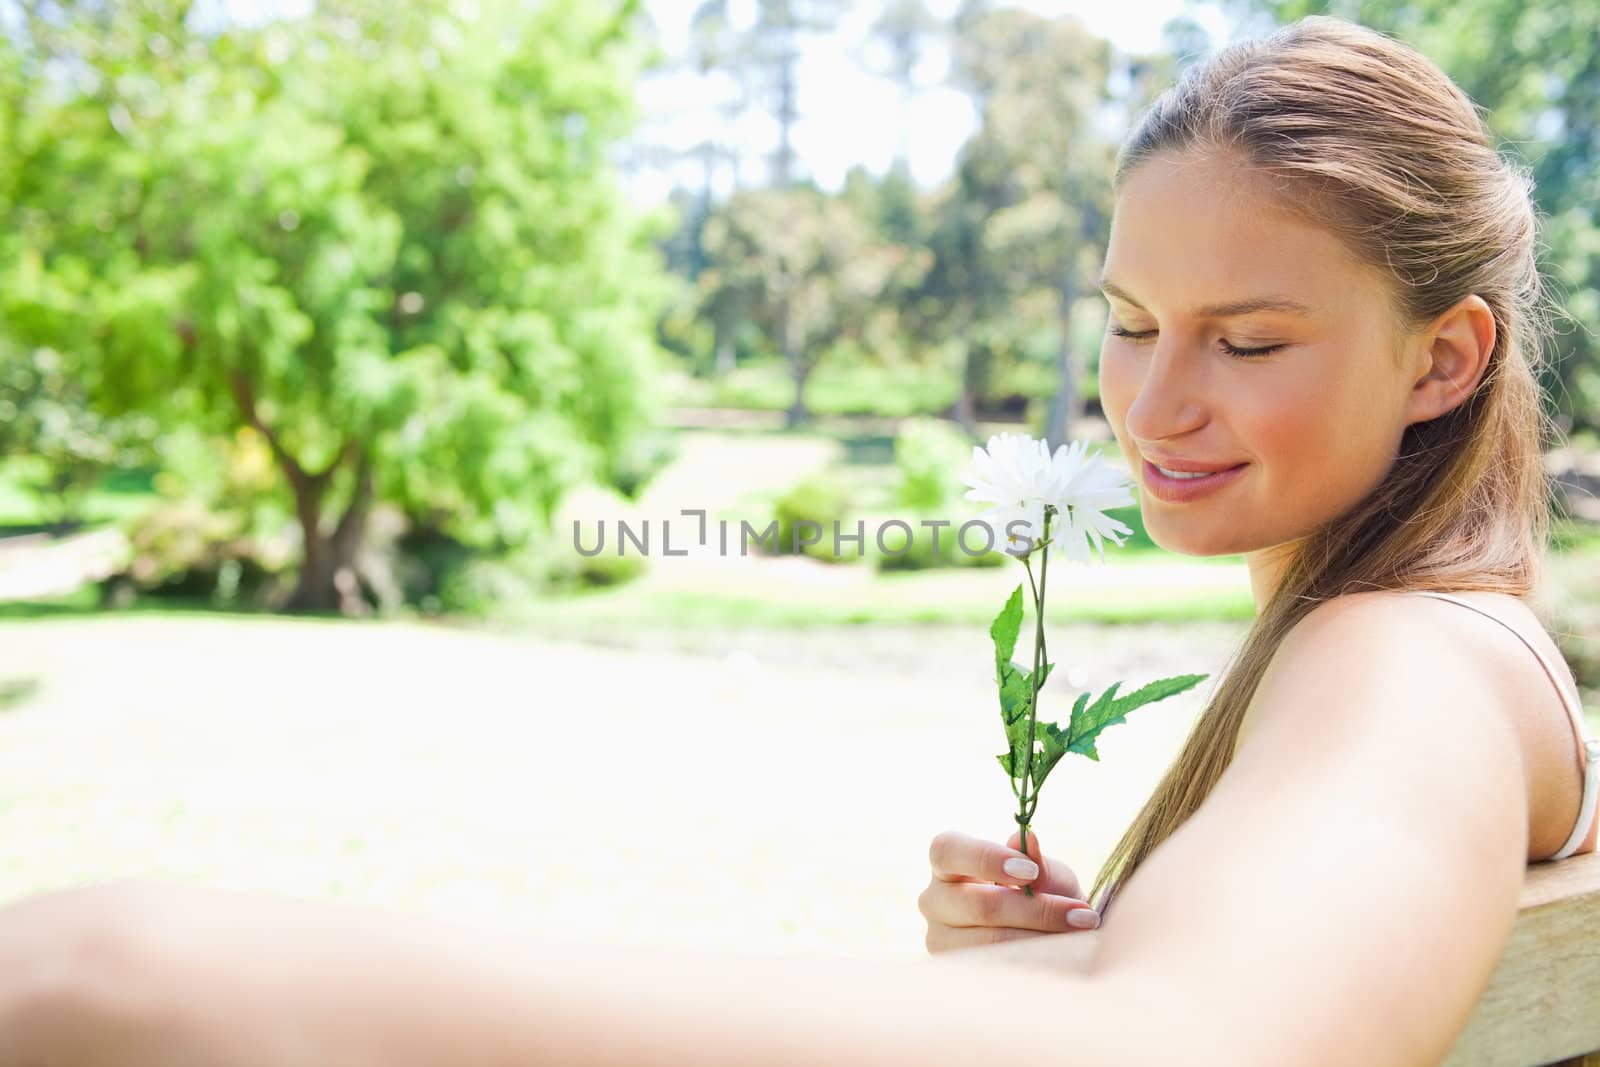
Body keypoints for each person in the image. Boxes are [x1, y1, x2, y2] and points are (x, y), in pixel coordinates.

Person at [0, 13, 1596, 1067]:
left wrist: (160, 969)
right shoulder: (1407, 640)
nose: (1155, 404)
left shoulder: (1408, 658)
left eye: (1247, 343)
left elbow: (1196, 1052)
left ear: (1443, 360)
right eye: (1127, 323)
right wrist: (1063, 968)